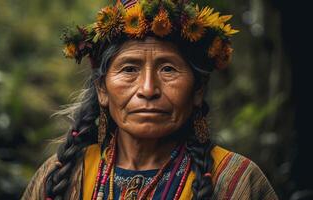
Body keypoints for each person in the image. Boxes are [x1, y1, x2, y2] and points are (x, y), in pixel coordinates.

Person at [21, 0, 278, 199]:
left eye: (168, 69)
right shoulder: (60, 177)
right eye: (129, 69)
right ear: (102, 90)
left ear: (198, 90)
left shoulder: (237, 182)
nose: (148, 89)